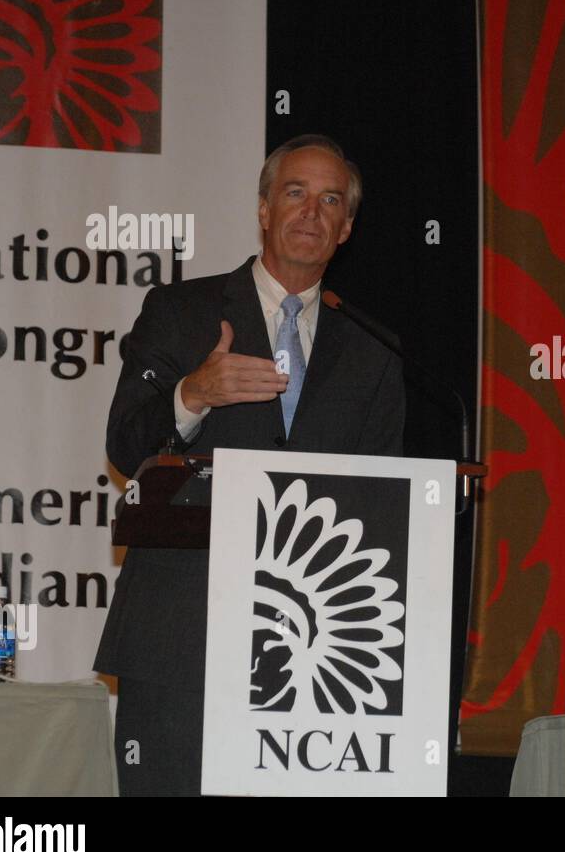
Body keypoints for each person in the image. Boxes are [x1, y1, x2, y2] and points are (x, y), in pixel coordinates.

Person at [95, 134, 405, 794]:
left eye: (330, 201)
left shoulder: (374, 350)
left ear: (346, 228)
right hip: (184, 631)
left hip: (317, 651)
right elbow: (126, 443)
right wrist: (193, 395)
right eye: (295, 192)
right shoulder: (182, 312)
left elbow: (382, 508)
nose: (311, 212)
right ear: (263, 208)